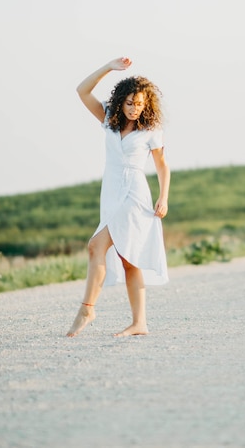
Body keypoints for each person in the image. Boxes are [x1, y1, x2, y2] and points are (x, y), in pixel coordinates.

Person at [66, 57, 170, 337]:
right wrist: (108, 68)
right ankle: (140, 323)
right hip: (111, 190)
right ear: (121, 102)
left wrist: (164, 197)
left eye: (140, 104)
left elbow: (162, 165)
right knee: (128, 259)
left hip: (135, 194)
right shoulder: (109, 120)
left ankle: (87, 308)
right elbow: (82, 91)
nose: (136, 109)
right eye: (130, 103)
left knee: (95, 246)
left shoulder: (150, 131)